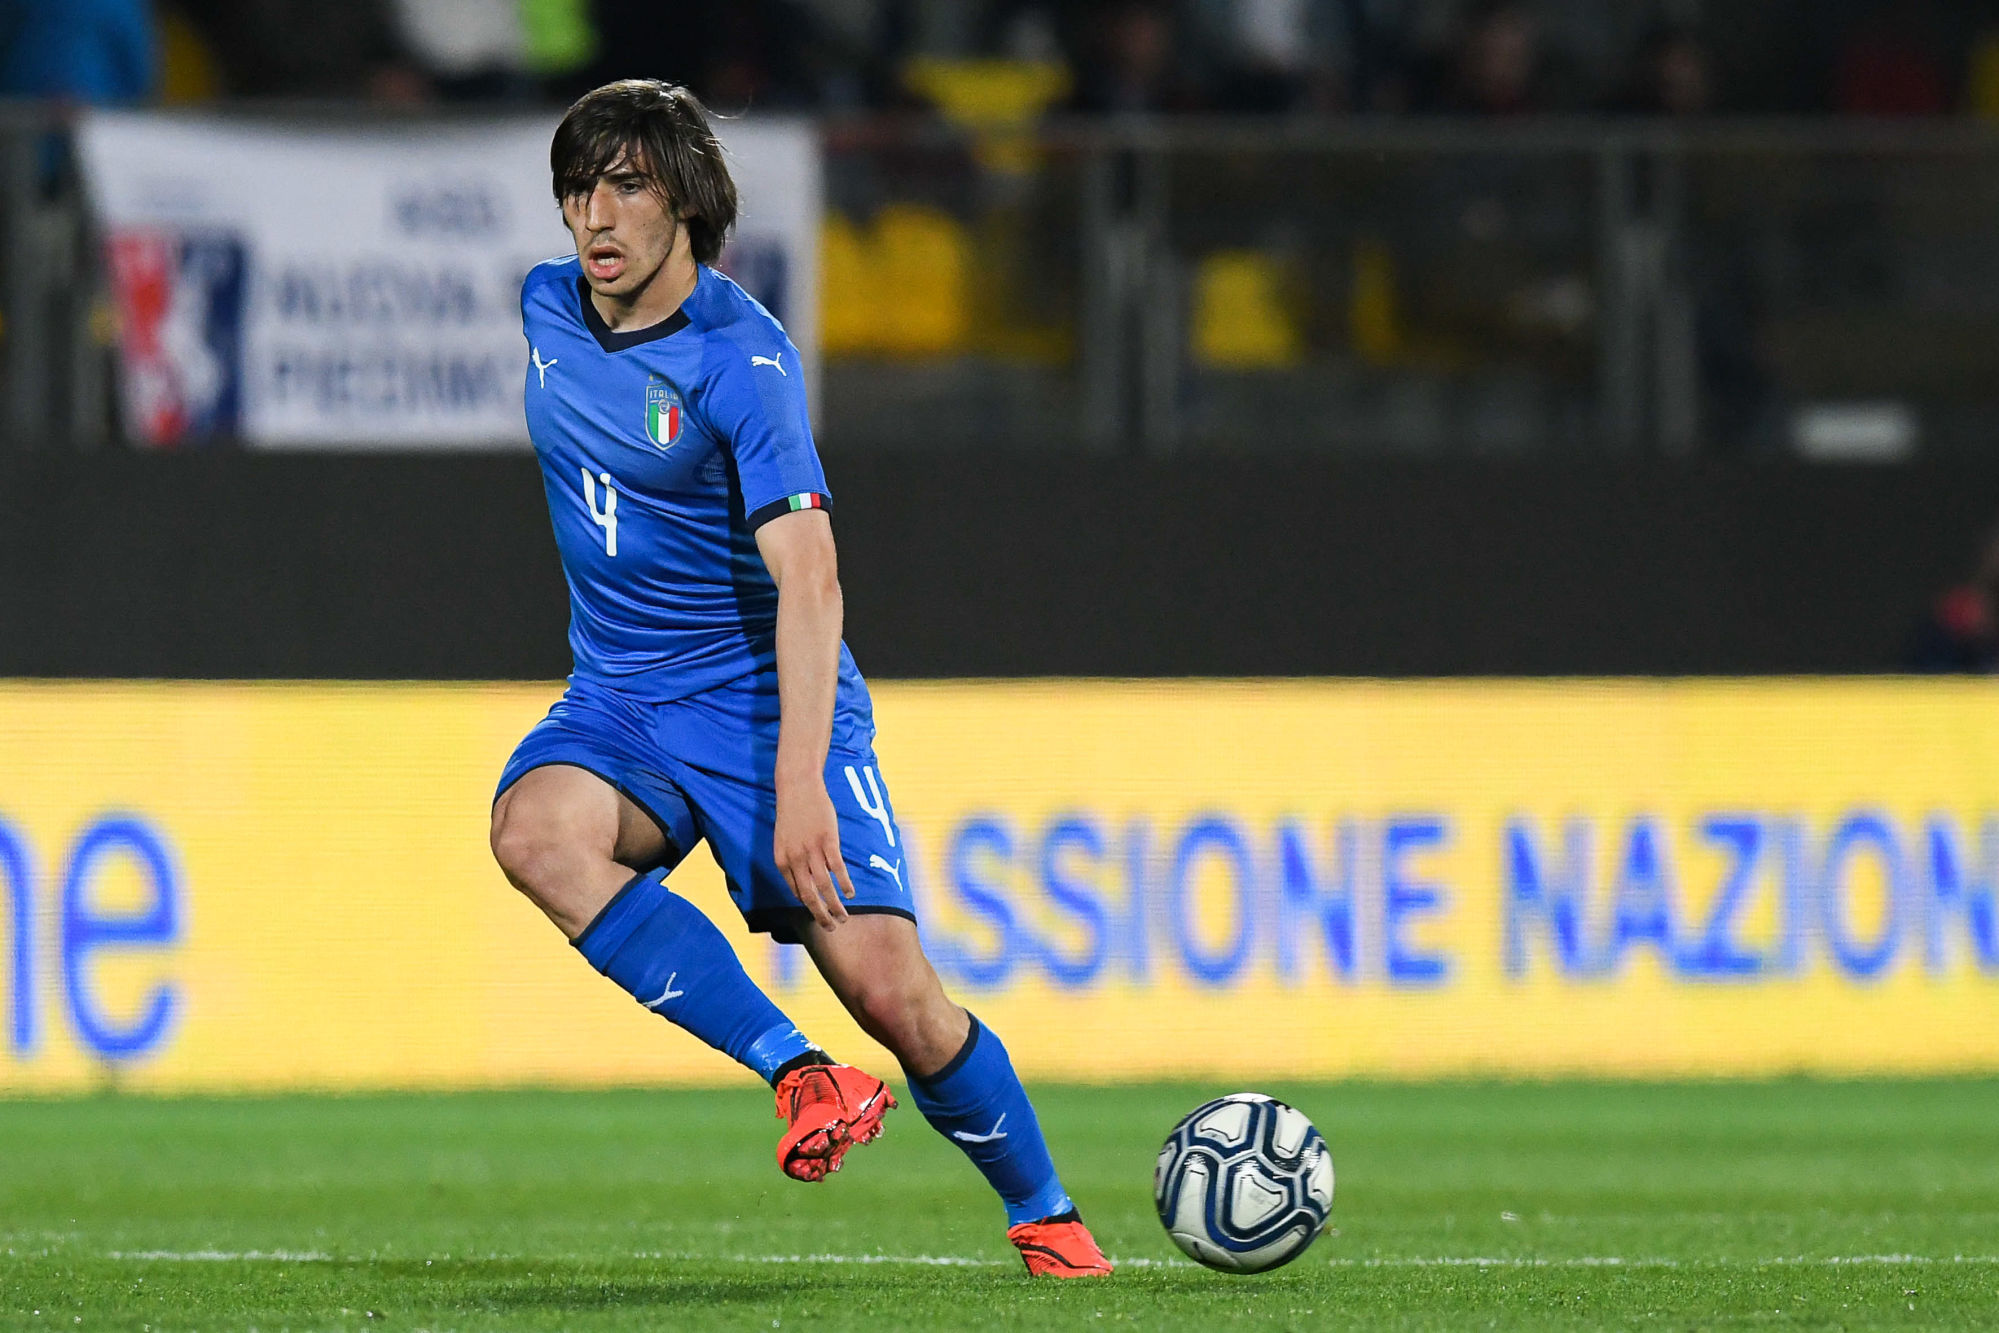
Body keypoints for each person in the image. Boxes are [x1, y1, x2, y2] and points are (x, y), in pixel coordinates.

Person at [488, 79, 1111, 1279]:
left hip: (760, 707)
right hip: (621, 702)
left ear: (686, 200)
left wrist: (798, 778)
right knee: (535, 834)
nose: (593, 218)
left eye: (626, 187)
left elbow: (812, 580)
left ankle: (1047, 1215)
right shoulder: (546, 306)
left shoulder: (743, 362)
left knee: (894, 996)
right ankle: (801, 1072)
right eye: (576, 190)